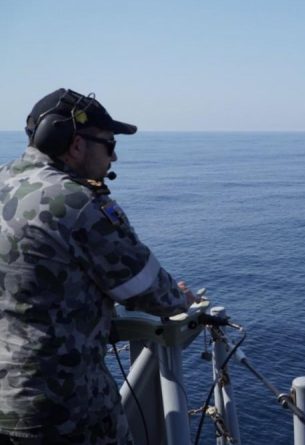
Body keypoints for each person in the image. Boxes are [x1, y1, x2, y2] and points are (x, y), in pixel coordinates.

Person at [0, 89, 192, 444]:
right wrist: (182, 300)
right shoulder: (76, 202)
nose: (114, 155)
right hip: (63, 412)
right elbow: (150, 291)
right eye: (108, 143)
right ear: (76, 145)